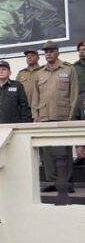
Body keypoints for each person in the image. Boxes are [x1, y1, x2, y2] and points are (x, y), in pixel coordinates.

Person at [32, 41, 78, 193]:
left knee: (64, 150)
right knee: (47, 152)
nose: (48, 54)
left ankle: (67, 182)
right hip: (45, 117)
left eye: (51, 51)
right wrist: (36, 116)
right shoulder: (39, 73)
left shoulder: (68, 69)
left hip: (63, 115)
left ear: (58, 52)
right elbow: (35, 98)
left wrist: (71, 117)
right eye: (46, 52)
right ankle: (52, 181)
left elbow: (74, 94)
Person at [16, 48, 43, 115]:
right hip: (24, 109)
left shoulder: (43, 71)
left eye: (32, 55)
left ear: (38, 58)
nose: (29, 57)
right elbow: (16, 92)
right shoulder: (21, 73)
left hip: (40, 108)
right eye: (27, 56)